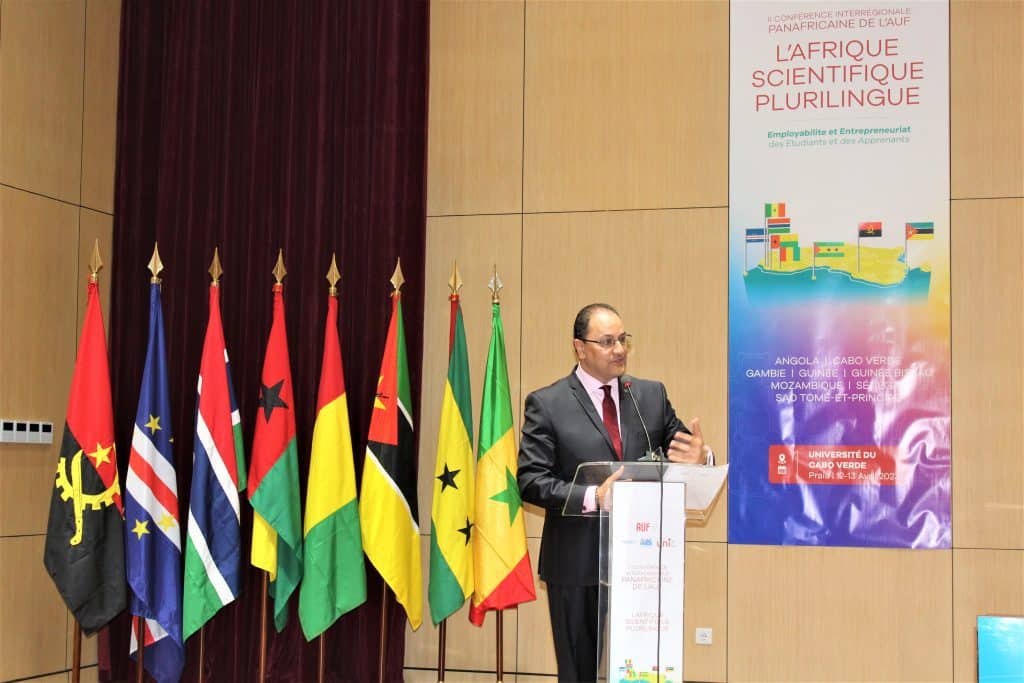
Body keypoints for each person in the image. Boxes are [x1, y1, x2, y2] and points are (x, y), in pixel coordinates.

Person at [517, 303, 712, 683]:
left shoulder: (650, 396)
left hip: (643, 564)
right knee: (579, 673)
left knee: (641, 671)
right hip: (575, 563)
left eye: (623, 339)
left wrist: (701, 457)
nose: (619, 349)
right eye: (607, 342)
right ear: (580, 347)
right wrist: (594, 497)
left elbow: (684, 449)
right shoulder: (548, 404)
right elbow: (531, 479)